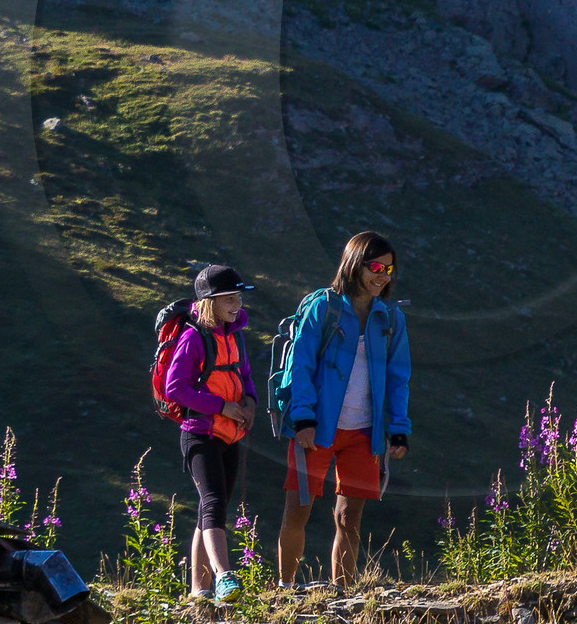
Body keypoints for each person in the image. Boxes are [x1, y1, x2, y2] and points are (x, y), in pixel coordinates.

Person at [278, 231, 411, 590]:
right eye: (375, 267)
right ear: (354, 264)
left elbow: (399, 378)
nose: (383, 276)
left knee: (349, 519)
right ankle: (285, 590)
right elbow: (300, 366)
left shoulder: (391, 318)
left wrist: (398, 429)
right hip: (315, 428)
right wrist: (303, 418)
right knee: (298, 510)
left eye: (389, 269)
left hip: (364, 434)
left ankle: (343, 594)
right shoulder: (323, 307)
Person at [155, 263, 257, 605]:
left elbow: (245, 376)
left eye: (238, 297)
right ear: (209, 302)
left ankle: (199, 591)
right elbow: (175, 388)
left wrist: (250, 403)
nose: (237, 304)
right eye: (229, 298)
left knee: (211, 507)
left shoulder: (234, 334)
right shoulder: (192, 338)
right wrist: (222, 406)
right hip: (199, 434)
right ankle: (224, 576)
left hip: (229, 435)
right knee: (213, 503)